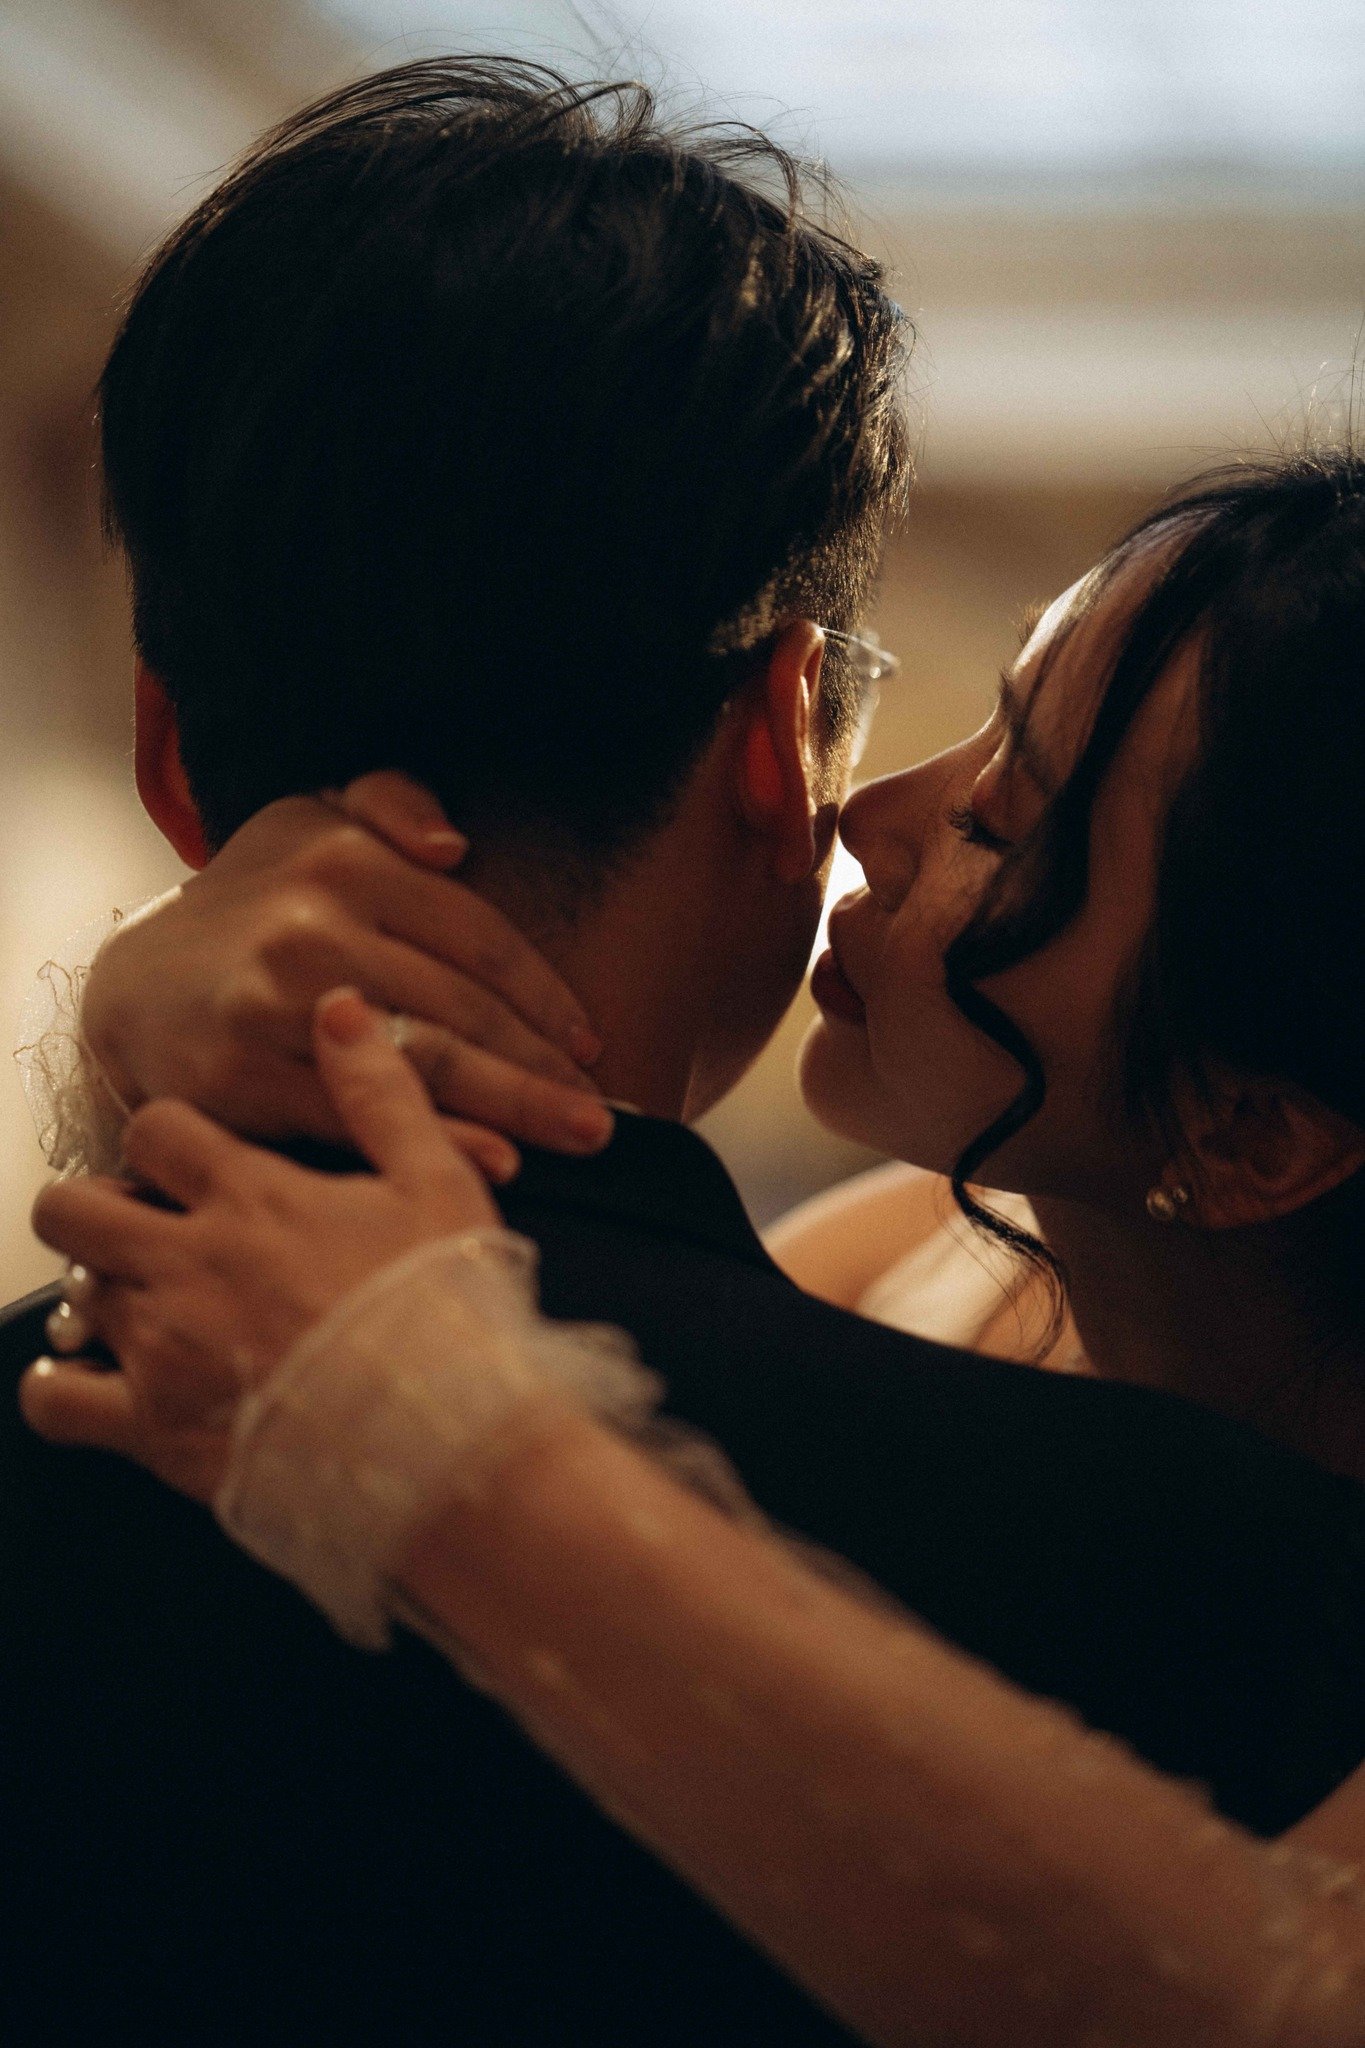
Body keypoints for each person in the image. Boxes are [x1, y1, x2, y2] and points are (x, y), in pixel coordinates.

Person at [2, 47, 1363, 2040]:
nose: (879, 813)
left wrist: (445, 1445)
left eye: (1010, 821)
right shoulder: (1098, 1470)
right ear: (775, 729)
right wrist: (141, 1036)